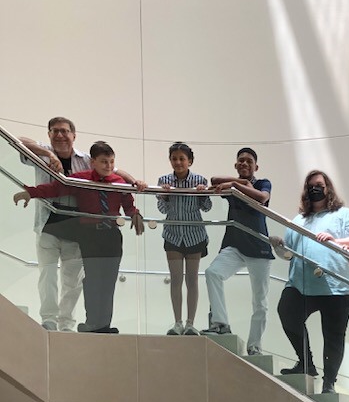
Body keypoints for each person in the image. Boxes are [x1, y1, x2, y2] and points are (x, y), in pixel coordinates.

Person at [19, 117, 142, 331]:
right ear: (49, 134)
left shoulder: (86, 160)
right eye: (55, 131)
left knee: (73, 280)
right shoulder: (43, 154)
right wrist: (47, 158)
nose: (60, 135)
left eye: (65, 131)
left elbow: (114, 171)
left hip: (78, 229)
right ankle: (49, 321)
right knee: (48, 274)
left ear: (74, 135)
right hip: (48, 223)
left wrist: (134, 182)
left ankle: (68, 323)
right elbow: (20, 141)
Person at [273, 170, 349, 393]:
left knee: (334, 336)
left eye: (319, 185)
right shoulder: (298, 220)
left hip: (337, 287)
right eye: (310, 186)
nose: (314, 189)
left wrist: (336, 240)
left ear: (328, 188)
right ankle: (305, 362)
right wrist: (279, 247)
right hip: (301, 285)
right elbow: (289, 254)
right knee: (287, 312)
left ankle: (329, 383)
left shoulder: (345, 214)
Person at [202, 148, 273, 353]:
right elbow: (214, 180)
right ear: (235, 165)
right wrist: (238, 182)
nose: (244, 164)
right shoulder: (234, 183)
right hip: (235, 246)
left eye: (249, 161)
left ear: (256, 167)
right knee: (213, 273)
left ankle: (254, 346)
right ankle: (221, 324)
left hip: (259, 248)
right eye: (241, 160)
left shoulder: (262, 183)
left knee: (260, 302)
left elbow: (262, 198)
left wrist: (234, 185)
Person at [156, 142, 211, 336]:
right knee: (176, 280)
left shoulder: (199, 180)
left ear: (190, 161)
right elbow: (162, 209)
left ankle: (190, 323)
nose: (178, 162)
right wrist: (164, 195)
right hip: (172, 235)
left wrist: (203, 194)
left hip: (194, 235)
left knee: (192, 280)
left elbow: (207, 208)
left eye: (182, 158)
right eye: (174, 158)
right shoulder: (163, 180)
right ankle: (177, 322)